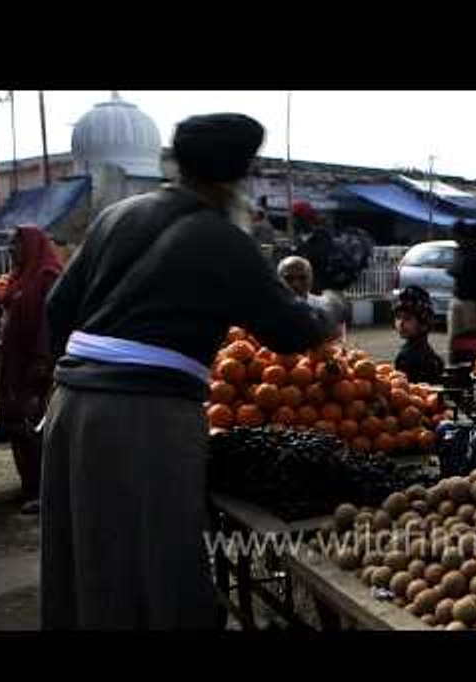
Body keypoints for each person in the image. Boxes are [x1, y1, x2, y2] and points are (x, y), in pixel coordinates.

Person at [41, 113, 337, 630]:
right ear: (235, 177)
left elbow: (56, 308)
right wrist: (329, 309)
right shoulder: (221, 238)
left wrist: (80, 375)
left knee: (88, 558)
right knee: (162, 564)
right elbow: (290, 330)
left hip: (71, 408)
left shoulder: (118, 214)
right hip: (146, 417)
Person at [0, 226, 62, 514]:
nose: (11, 249)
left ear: (31, 245)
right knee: (16, 426)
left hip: (35, 366)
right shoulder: (18, 277)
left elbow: (49, 325)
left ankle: (43, 491)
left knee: (33, 426)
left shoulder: (47, 277)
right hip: (14, 364)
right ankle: (29, 486)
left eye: (15, 244)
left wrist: (42, 363)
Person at [447, 221, 476, 357]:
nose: (455, 239)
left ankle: (471, 366)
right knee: (454, 337)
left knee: (471, 339)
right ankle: (453, 363)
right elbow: (453, 270)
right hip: (457, 298)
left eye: (456, 235)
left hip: (471, 302)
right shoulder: (459, 250)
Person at [393, 286, 444, 384]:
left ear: (423, 324)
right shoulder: (434, 358)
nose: (401, 323)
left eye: (407, 318)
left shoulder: (406, 358)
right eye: (398, 317)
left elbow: (402, 390)